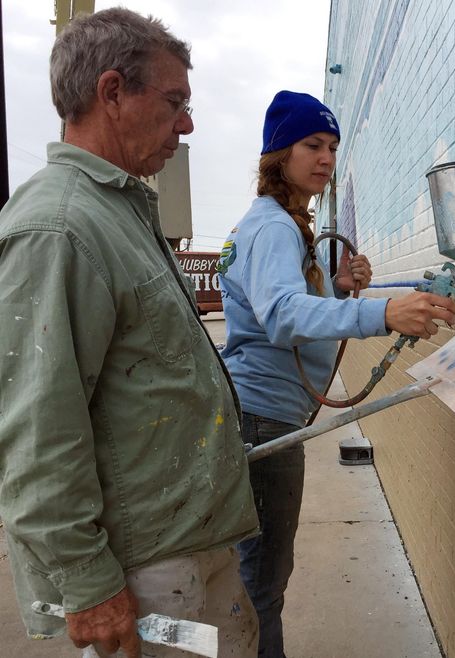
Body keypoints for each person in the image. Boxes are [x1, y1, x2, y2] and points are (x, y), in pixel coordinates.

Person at [0, 9, 260, 657]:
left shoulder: (119, 210)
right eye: (175, 102)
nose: (188, 124)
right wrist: (86, 582)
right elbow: (36, 431)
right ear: (112, 92)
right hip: (146, 578)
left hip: (183, 553)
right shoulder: (58, 228)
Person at [218, 91, 455, 657]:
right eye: (311, 145)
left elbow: (275, 298)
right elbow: (279, 314)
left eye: (331, 147)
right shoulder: (275, 227)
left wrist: (338, 283)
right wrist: (381, 311)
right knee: (262, 586)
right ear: (278, 153)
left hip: (260, 413)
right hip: (263, 420)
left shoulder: (275, 223)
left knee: (256, 577)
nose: (325, 159)